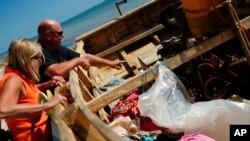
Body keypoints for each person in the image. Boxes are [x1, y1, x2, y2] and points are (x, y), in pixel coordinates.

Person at [0, 38, 68, 141]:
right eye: (40, 57)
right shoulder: (13, 80)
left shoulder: (18, 75)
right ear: (28, 59)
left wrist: (47, 84)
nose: (42, 61)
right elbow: (3, 111)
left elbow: (25, 93)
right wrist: (48, 104)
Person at [37, 19, 124, 84]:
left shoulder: (55, 47)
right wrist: (78, 61)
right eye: (59, 33)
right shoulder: (39, 53)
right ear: (48, 35)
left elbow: (85, 57)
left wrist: (110, 63)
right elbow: (57, 71)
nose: (62, 36)